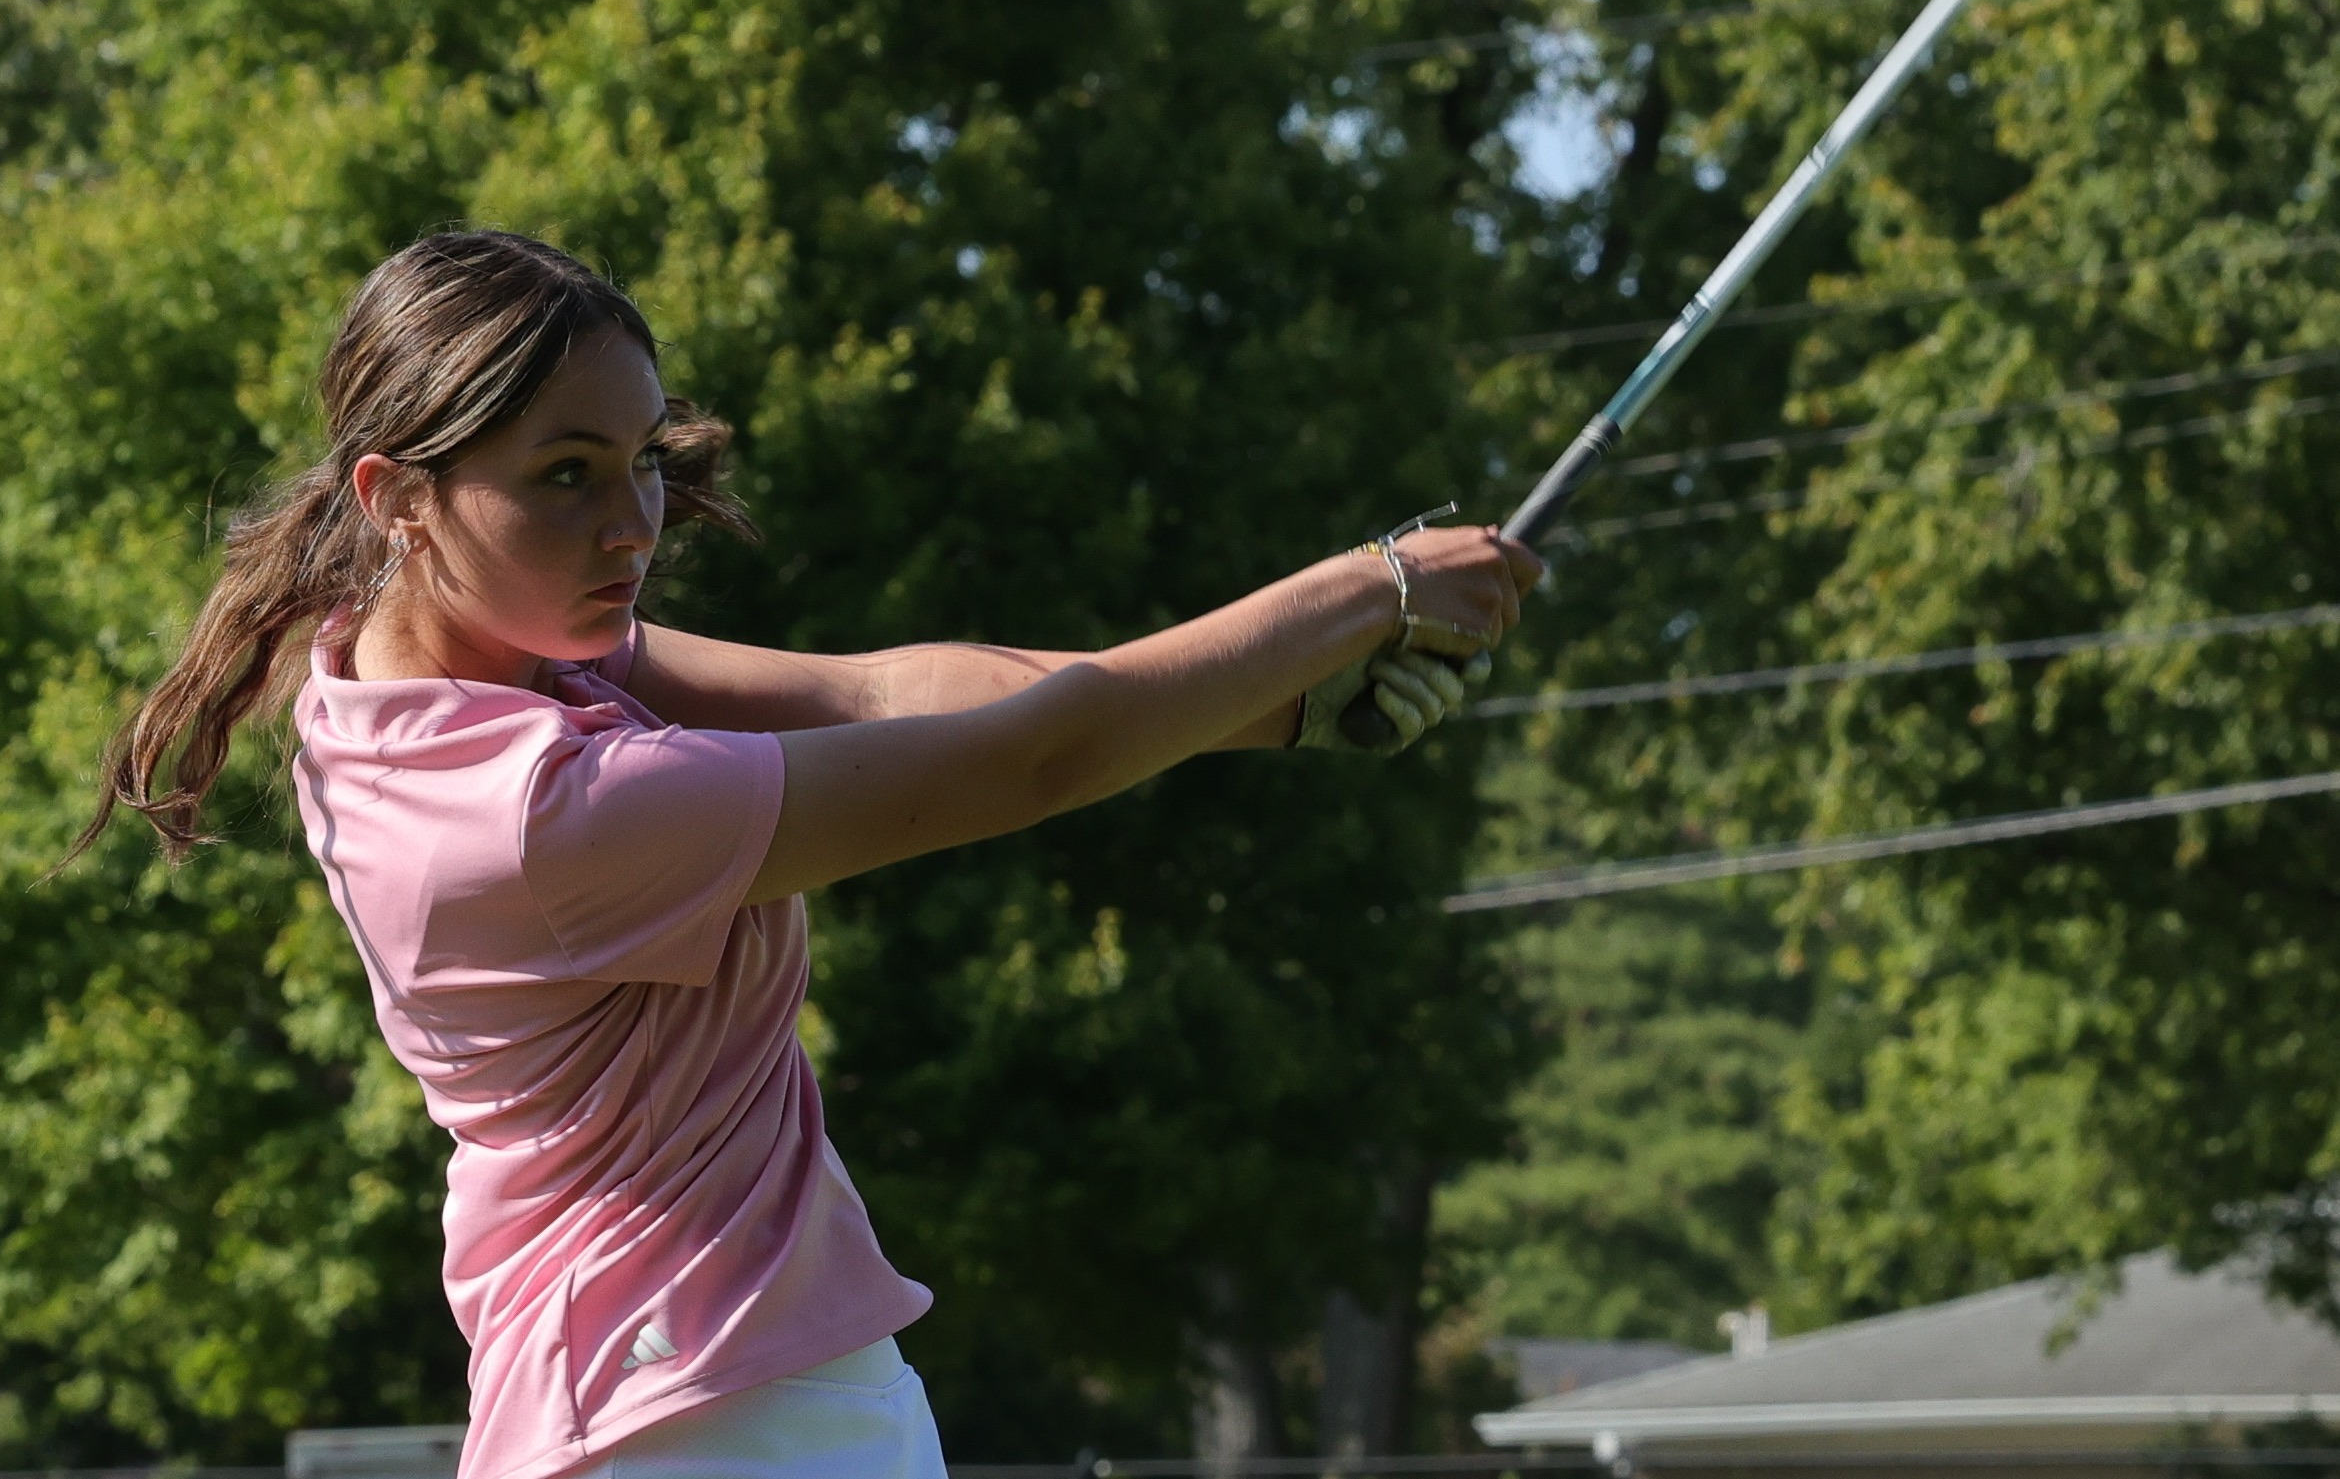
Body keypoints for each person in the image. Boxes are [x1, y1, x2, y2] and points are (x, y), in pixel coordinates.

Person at [77, 231, 1542, 1479]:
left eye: (642, 460)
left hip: (701, 1394)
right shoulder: (545, 805)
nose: (633, 521)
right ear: (397, 494)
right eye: (567, 475)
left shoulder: (414, 671)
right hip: (709, 1412)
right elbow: (1031, 758)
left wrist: (1281, 709)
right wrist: (1370, 588)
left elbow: (883, 690)